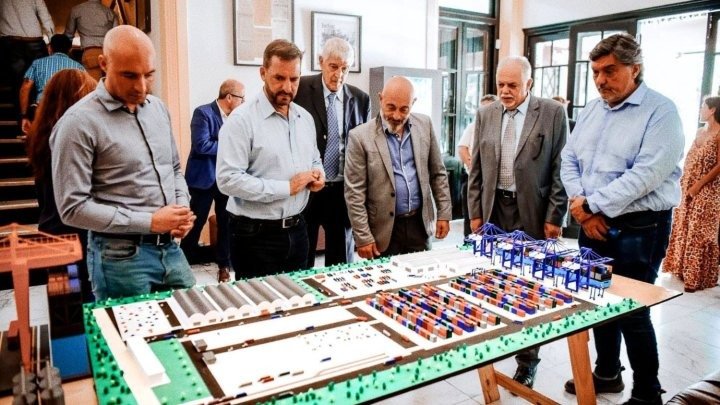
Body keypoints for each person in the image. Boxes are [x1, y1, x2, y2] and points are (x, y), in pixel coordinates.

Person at [561, 33, 683, 405]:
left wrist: (591, 206)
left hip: (640, 227)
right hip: (590, 221)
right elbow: (569, 160)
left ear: (635, 69)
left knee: (631, 309)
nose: (601, 80)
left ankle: (647, 392)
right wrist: (582, 209)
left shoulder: (661, 112)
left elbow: (646, 175)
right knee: (598, 298)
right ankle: (608, 373)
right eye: (596, 72)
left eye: (610, 71)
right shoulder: (591, 110)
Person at [51, 25, 196, 301]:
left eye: (149, 75)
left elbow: (174, 169)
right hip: (119, 258)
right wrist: (150, 222)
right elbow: (72, 208)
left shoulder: (158, 109)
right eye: (129, 75)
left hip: (171, 249)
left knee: (189, 320)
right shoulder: (78, 123)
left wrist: (181, 211)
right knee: (130, 330)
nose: (141, 87)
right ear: (103, 64)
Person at [467, 56, 569, 388]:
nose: (505, 91)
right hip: (494, 211)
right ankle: (496, 343)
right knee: (495, 282)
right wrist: (475, 212)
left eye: (512, 85)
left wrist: (555, 215)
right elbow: (476, 169)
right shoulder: (486, 114)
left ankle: (527, 362)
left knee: (530, 288)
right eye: (500, 85)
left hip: (533, 213)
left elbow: (561, 168)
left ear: (529, 84)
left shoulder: (552, 113)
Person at [216, 39, 324, 279]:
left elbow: (315, 158)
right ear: (263, 73)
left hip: (298, 230)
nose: (287, 87)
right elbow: (227, 180)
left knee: (299, 297)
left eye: (294, 79)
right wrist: (286, 188)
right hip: (254, 236)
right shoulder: (241, 120)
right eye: (279, 78)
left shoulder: (304, 118)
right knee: (260, 302)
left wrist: (318, 174)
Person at [344, 76, 451, 259]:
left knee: (422, 273)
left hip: (419, 224)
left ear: (413, 103)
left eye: (404, 109)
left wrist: (444, 213)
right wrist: (363, 236)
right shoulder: (359, 137)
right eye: (391, 107)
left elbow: (438, 174)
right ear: (380, 99)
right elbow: (355, 193)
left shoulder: (425, 125)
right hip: (383, 230)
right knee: (384, 277)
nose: (396, 116)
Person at [294, 37, 371, 267]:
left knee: (341, 260)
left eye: (345, 68)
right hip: (308, 187)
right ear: (321, 61)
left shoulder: (361, 99)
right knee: (302, 256)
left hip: (341, 190)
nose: (339, 75)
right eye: (333, 66)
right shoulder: (300, 89)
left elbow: (364, 148)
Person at [27, 69, 97, 302]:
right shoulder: (76, 138)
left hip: (52, 233)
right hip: (79, 235)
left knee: (65, 309)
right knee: (87, 304)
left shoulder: (41, 137)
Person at [181, 79, 245, 282]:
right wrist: (228, 148)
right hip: (203, 179)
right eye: (242, 98)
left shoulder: (237, 118)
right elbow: (201, 145)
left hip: (226, 179)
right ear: (229, 97)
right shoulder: (203, 113)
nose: (243, 102)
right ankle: (181, 264)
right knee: (195, 223)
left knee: (226, 224)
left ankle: (224, 266)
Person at [663, 96, 720, 292]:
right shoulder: (699, 131)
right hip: (687, 185)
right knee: (683, 225)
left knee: (699, 231)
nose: (701, 110)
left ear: (712, 110)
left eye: (703, 106)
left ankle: (696, 277)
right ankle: (681, 270)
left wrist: (698, 186)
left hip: (708, 189)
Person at [19, 34, 85, 134]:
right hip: (68, 112)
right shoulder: (78, 67)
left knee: (41, 139)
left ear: (49, 48)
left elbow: (25, 87)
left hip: (42, 109)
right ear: (70, 49)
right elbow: (85, 91)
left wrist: (24, 116)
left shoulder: (38, 63)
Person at [0, 0, 54, 108]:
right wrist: (52, 41)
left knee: (18, 81)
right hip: (34, 41)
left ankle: (21, 113)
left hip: (11, 42)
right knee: (40, 79)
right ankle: (37, 109)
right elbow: (45, 17)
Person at [457, 94, 498, 236]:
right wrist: (473, 167)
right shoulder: (473, 126)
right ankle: (469, 243)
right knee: (471, 217)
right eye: (481, 109)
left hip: (492, 183)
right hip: (472, 180)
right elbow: (462, 148)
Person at [65, 0, 119, 81]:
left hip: (89, 53)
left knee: (93, 85)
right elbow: (116, 36)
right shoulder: (110, 12)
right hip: (107, 54)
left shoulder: (76, 10)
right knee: (109, 85)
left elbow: (68, 36)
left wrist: (67, 53)